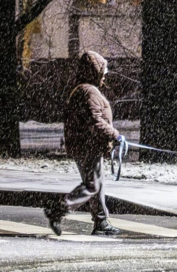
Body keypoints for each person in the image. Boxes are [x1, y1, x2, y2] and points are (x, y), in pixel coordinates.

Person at [45, 51, 125, 236]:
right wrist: (115, 135)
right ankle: (58, 209)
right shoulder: (88, 91)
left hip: (85, 145)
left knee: (97, 184)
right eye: (103, 71)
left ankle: (101, 222)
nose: (105, 75)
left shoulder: (83, 89)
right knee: (92, 185)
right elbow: (95, 121)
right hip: (88, 145)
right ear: (95, 71)